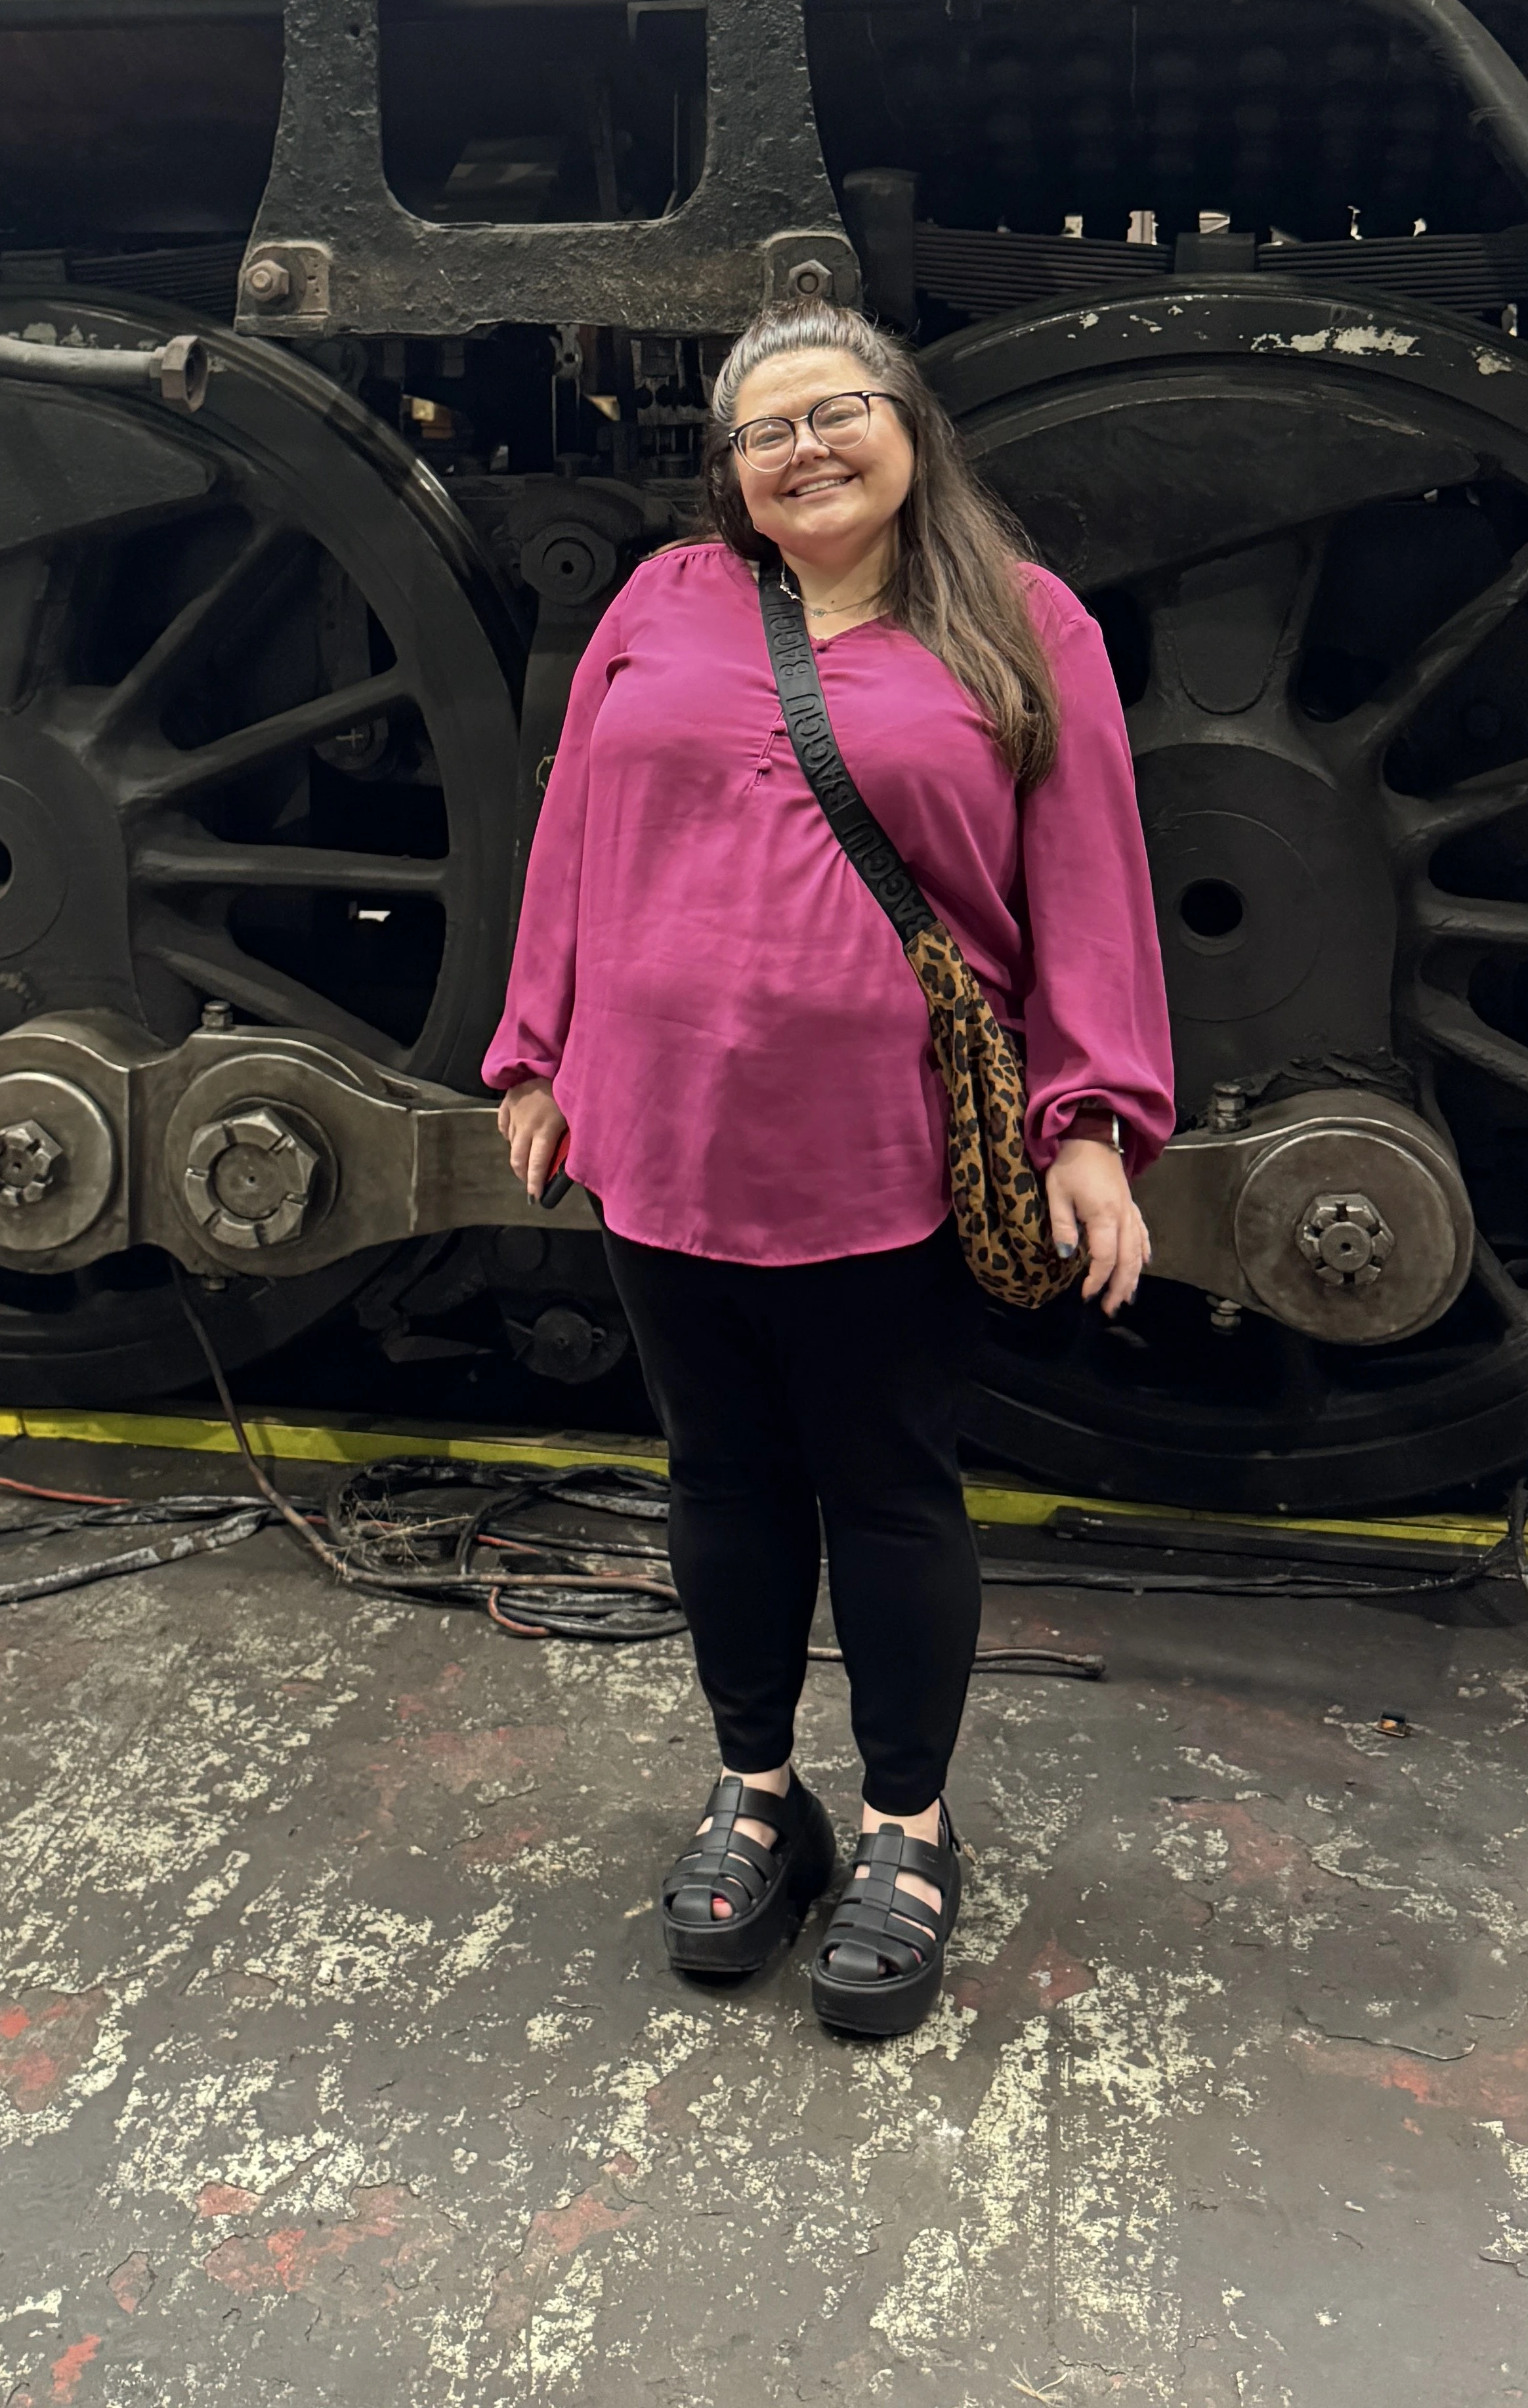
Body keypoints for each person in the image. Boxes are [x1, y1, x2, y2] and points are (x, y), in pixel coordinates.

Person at [484, 302, 1172, 2037]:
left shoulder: (1024, 625)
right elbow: (573, 825)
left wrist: (1089, 1118)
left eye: (837, 408)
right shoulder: (663, 603)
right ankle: (753, 1790)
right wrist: (537, 1046)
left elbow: (1087, 876)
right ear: (726, 475)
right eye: (764, 427)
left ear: (906, 425)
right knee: (716, 1476)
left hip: (883, 1140)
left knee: (883, 1484)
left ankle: (906, 1826)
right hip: (660, 1125)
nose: (805, 445)